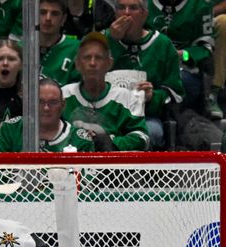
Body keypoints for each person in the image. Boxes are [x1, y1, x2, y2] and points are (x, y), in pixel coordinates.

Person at [104, 0, 184, 149]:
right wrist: (112, 41)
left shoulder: (162, 44)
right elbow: (85, 76)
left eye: (133, 8)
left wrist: (152, 97)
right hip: (105, 115)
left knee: (152, 132)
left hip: (145, 117)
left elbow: (176, 94)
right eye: (121, 7)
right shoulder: (102, 40)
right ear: (115, 13)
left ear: (145, 14)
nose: (126, 13)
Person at [62, 31, 150, 151]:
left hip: (114, 166)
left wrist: (112, 143)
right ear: (77, 64)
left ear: (109, 63)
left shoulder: (126, 97)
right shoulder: (64, 95)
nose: (92, 63)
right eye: (87, 57)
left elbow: (142, 137)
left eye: (98, 58)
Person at [145, 0, 218, 119]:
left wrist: (183, 55)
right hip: (149, 64)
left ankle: (173, 121)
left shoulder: (201, 5)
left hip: (184, 68)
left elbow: (205, 47)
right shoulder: (142, 4)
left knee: (182, 83)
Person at [0, 78, 95, 152]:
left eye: (53, 102)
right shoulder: (11, 129)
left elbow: (86, 180)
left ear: (63, 105)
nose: (46, 108)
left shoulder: (80, 140)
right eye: (40, 102)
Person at [39, 0, 80, 86]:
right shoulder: (20, 48)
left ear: (63, 19)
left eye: (55, 14)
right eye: (42, 12)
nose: (48, 18)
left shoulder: (77, 49)